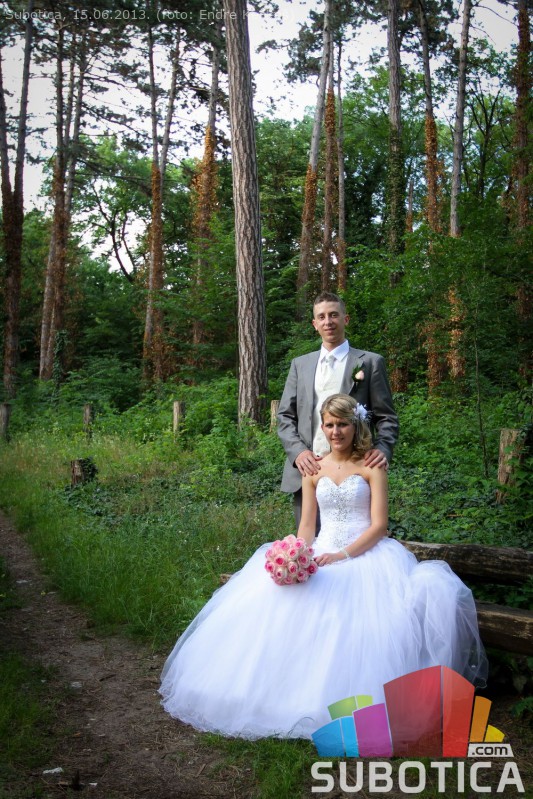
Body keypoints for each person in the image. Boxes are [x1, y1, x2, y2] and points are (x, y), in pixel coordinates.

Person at [159, 394, 487, 740]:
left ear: (355, 425)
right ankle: (277, 698)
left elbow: (379, 526)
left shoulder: (372, 466)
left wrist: (342, 555)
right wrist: (298, 554)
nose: (335, 431)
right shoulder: (314, 468)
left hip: (363, 555)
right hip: (321, 551)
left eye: (342, 424)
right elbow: (307, 525)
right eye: (329, 424)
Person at [277, 292, 399, 528]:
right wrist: (299, 453)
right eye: (321, 317)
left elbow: (387, 417)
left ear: (346, 319)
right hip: (309, 470)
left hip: (355, 473)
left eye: (334, 315)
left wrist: (383, 448)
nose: (328, 322)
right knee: (308, 541)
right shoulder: (300, 365)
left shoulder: (369, 363)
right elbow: (285, 416)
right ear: (314, 324)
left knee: (356, 541)